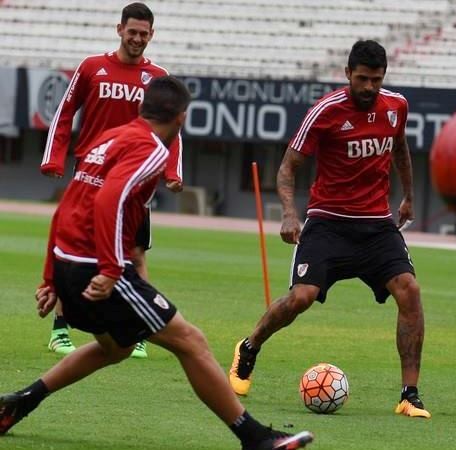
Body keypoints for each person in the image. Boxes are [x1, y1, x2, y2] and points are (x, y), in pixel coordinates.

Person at [0, 76, 313, 450]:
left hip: (70, 264)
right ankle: (256, 438)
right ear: (181, 119)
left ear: (142, 108)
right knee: (191, 341)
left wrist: (51, 277)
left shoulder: (109, 138)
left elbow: (69, 204)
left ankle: (18, 404)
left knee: (115, 349)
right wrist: (112, 269)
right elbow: (108, 201)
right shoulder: (151, 150)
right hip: (97, 269)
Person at [227, 40, 430, 419]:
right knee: (301, 297)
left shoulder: (396, 106)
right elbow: (288, 167)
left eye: (376, 79)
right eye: (363, 79)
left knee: (410, 291)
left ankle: (409, 394)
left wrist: (408, 198)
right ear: (348, 74)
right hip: (328, 223)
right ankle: (250, 346)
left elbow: (400, 149)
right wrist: (289, 213)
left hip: (375, 226)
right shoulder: (325, 111)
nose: (370, 87)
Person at [40, 2, 184, 358]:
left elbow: (171, 130)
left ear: (152, 35)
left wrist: (173, 171)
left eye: (144, 34)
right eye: (132, 32)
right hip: (93, 171)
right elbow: (64, 111)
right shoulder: (92, 67)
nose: (137, 39)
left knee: (135, 252)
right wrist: (53, 157)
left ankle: (137, 330)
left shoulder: (157, 77)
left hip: (135, 178)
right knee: (75, 247)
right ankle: (60, 330)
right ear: (119, 30)